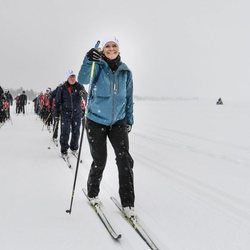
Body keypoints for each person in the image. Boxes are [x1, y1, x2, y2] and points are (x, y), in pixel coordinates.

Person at [78, 36, 135, 218]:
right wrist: (88, 59)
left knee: (124, 160)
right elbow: (82, 78)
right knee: (100, 159)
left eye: (114, 46)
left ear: (119, 48)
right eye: (107, 46)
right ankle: (93, 193)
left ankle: (128, 203)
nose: (111, 49)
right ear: (103, 50)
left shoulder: (125, 71)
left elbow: (128, 98)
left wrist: (129, 119)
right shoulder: (97, 65)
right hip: (95, 120)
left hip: (118, 121)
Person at [55, 70, 87, 159]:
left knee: (76, 132)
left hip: (77, 113)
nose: (72, 79)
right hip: (65, 113)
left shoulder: (79, 86)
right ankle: (64, 150)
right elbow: (57, 102)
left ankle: (74, 148)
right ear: (67, 78)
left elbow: (85, 95)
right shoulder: (62, 88)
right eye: (70, 77)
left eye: (74, 77)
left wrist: (83, 94)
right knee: (65, 132)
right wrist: (57, 114)